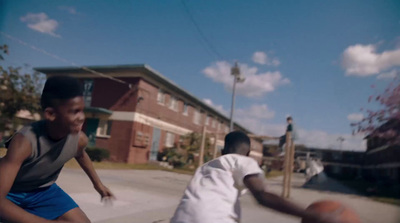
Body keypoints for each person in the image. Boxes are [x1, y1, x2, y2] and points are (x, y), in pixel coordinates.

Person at [0, 76, 114, 223]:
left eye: (82, 110)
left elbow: (80, 155)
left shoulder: (79, 139)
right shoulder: (25, 142)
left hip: (43, 191)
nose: (81, 117)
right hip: (11, 192)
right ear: (51, 114)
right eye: (74, 111)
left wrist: (98, 184)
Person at [170, 131, 347, 223]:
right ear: (247, 153)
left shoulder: (205, 167)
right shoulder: (243, 161)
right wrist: (315, 216)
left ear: (222, 151)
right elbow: (262, 196)